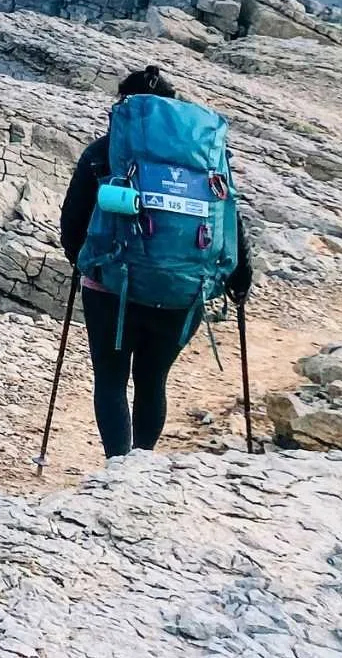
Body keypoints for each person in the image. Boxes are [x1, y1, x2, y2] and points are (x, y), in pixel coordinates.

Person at [58, 64, 252, 459]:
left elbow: (72, 225)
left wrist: (85, 262)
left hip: (112, 287)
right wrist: (240, 279)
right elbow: (230, 217)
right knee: (152, 382)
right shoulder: (206, 158)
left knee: (111, 381)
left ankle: (118, 467)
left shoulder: (104, 152)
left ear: (125, 108)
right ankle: (142, 460)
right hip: (185, 289)